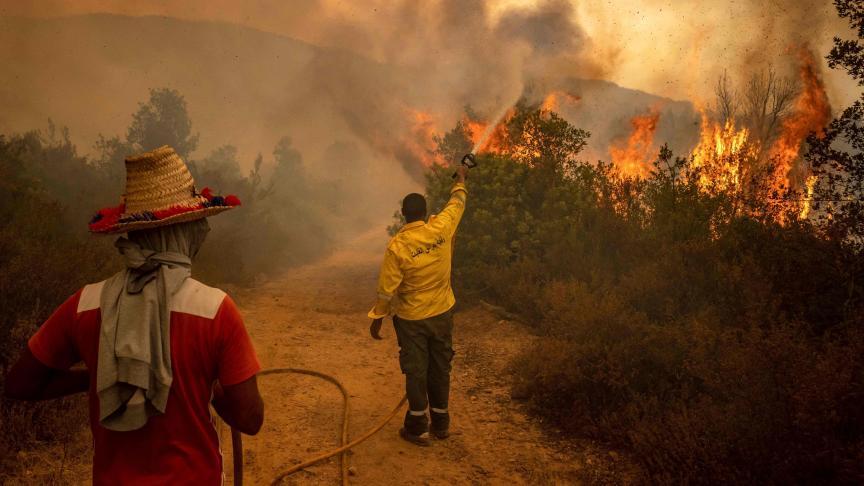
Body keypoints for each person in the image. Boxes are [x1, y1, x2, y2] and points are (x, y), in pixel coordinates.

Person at [4, 145, 263, 485]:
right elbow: (249, 419)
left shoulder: (84, 304)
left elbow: (20, 383)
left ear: (133, 232)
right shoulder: (215, 310)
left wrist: (102, 376)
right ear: (185, 231)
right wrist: (210, 386)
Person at [368, 164, 469, 446]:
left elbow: (386, 290)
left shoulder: (398, 246)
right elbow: (457, 203)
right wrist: (461, 179)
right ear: (424, 212)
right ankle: (441, 424)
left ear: (403, 213)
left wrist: (377, 319)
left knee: (416, 371)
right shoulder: (441, 227)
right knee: (440, 367)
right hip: (442, 314)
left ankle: (417, 428)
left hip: (412, 320)